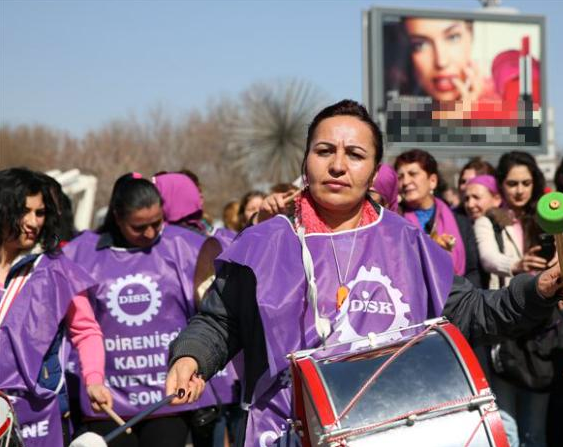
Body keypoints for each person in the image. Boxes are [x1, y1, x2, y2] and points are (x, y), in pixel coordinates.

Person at [164, 100, 562, 446]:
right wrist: (191, 358)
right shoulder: (264, 244)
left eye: (354, 154)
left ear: (373, 173)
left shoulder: (406, 240)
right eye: (324, 151)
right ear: (305, 161)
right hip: (285, 430)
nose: (338, 165)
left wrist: (541, 288)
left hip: (391, 429)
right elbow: (218, 322)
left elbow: (475, 312)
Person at [63, 173, 226, 447]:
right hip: (107, 398)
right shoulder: (81, 253)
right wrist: (92, 378)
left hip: (166, 397)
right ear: (117, 217)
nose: (150, 234)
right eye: (139, 227)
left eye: (156, 223)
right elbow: (81, 327)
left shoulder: (185, 246)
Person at [0, 168, 111, 447]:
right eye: (23, 211)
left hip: (37, 414)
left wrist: (94, 379)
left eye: (40, 213)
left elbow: (86, 331)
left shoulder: (56, 269)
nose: (33, 222)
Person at [473, 151, 558, 447]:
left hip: (542, 333)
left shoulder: (549, 218)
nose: (519, 190)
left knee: (535, 431)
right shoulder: (489, 221)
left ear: (534, 182)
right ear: (501, 185)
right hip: (504, 328)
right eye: (512, 183)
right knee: (505, 428)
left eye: (525, 182)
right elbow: (488, 258)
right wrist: (519, 265)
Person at [394, 149, 480, 285]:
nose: (405, 182)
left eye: (413, 174)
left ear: (432, 181)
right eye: (400, 176)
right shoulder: (394, 221)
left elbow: (472, 271)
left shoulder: (460, 222)